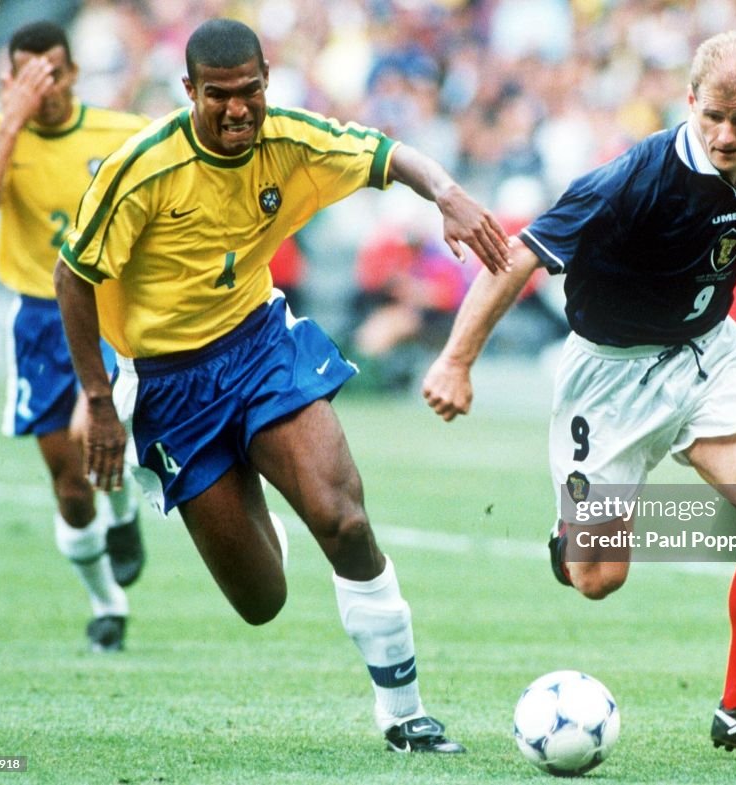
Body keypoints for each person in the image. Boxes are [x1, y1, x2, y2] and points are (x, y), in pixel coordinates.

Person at [53, 18, 509, 752]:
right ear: (190, 92)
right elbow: (72, 277)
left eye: (251, 93)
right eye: (219, 96)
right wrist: (101, 404)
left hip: (261, 345)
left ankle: (404, 713)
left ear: (268, 80)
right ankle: (256, 501)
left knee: (346, 519)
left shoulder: (290, 137)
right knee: (263, 600)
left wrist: (448, 194)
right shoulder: (143, 168)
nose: (238, 111)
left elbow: (387, 155)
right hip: (168, 384)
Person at [423, 30, 736, 763]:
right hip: (610, 377)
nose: (727, 136)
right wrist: (455, 361)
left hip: (708, 356)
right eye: (713, 118)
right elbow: (517, 258)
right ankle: (570, 540)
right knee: (598, 578)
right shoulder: (632, 178)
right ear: (689, 102)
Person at [0, 21, 147, 653]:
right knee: (68, 485)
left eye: (57, 73)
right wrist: (10, 122)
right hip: (39, 320)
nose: (50, 88)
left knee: (85, 432)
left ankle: (122, 516)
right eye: (33, 77)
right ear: (11, 82)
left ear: (74, 73)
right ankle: (106, 604)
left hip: (107, 313)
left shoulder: (118, 132)